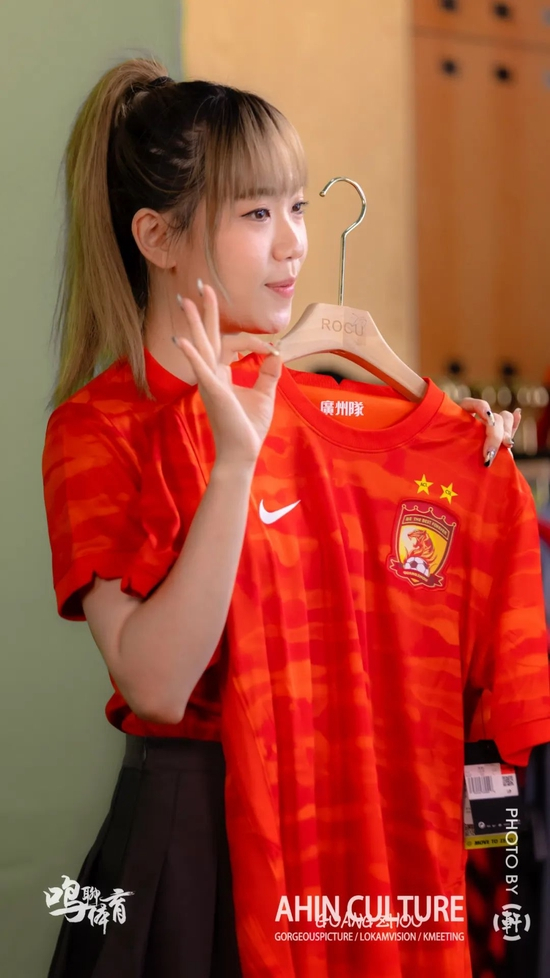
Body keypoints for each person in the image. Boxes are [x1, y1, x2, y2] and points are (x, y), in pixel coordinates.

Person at [42, 57, 520, 978]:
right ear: (157, 236)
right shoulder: (96, 430)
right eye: (258, 214)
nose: (295, 243)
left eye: (298, 207)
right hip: (188, 848)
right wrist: (233, 465)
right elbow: (156, 684)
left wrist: (466, 459)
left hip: (331, 823)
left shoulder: (322, 408)